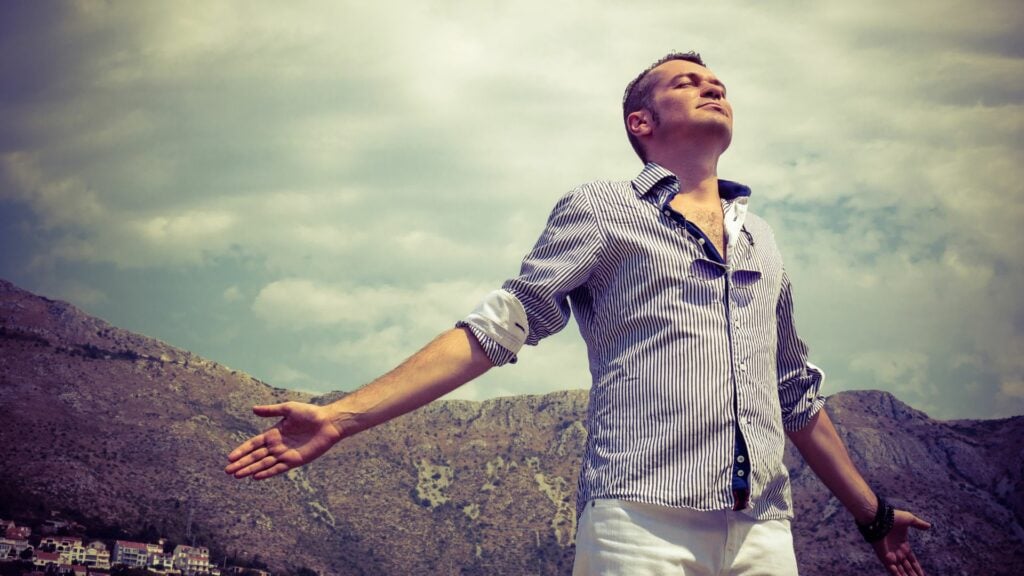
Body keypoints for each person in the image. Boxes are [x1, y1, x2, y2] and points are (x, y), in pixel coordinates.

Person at [225, 52, 930, 575]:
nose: (712, 86)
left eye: (718, 82)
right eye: (686, 81)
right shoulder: (603, 210)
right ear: (642, 122)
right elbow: (501, 325)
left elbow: (794, 395)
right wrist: (346, 415)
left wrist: (872, 517)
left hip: (763, 533)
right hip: (641, 523)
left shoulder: (762, 241)